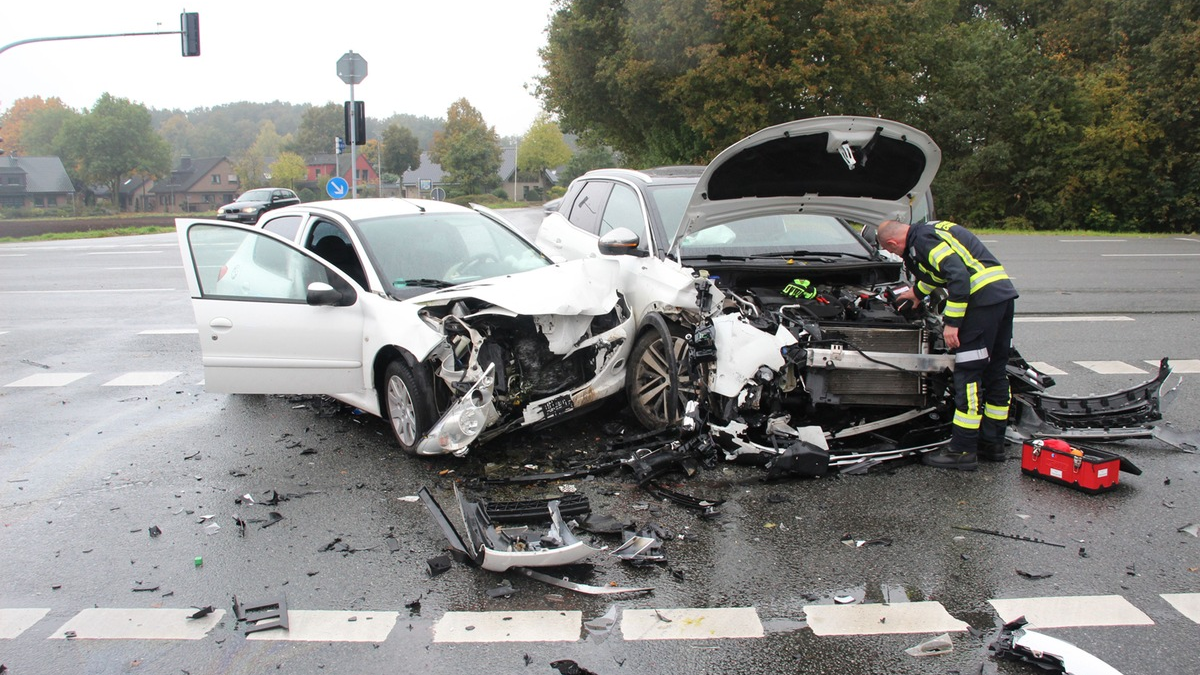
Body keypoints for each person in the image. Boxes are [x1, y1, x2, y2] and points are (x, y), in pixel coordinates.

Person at [876, 219, 1018, 470]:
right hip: (1000, 297)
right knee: (995, 371)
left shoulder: (922, 242)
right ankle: (992, 443)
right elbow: (938, 271)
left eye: (891, 251)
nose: (893, 254)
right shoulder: (932, 229)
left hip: (980, 303)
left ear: (892, 242)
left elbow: (958, 277)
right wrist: (917, 293)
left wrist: (952, 323)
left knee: (968, 373)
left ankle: (962, 451)